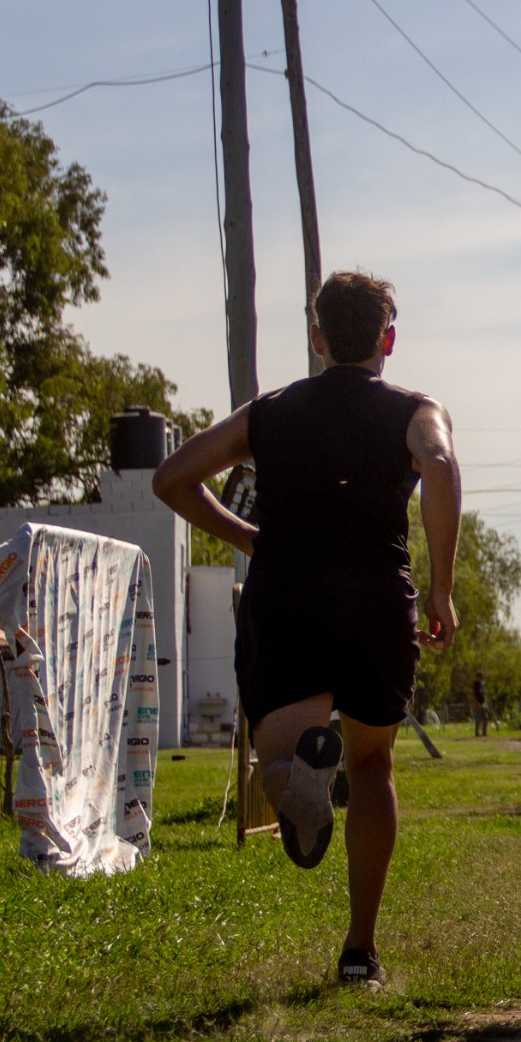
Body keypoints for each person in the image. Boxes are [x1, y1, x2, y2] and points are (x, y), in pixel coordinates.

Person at [155, 271, 461, 989]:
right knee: (374, 769)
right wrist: (442, 584)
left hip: (287, 594)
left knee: (277, 762)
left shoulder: (271, 413)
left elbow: (172, 478)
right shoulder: (416, 410)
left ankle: (300, 776)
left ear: (317, 338)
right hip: (376, 600)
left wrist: (249, 535)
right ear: (388, 339)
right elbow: (441, 465)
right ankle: (360, 950)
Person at [471, 671, 489, 737]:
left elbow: (484, 693)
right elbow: (472, 694)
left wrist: (485, 702)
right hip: (477, 702)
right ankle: (477, 733)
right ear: (478, 676)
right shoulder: (475, 684)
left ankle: (484, 732)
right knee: (478, 718)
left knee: (486, 717)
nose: (482, 677)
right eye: (481, 676)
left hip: (483, 702)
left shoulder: (482, 684)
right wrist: (476, 703)